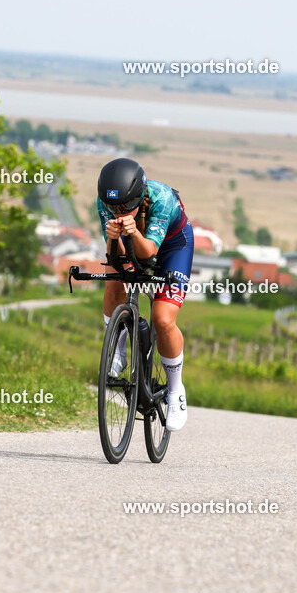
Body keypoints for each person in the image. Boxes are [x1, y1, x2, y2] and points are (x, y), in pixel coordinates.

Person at [96, 158, 193, 431]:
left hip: (173, 247)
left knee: (162, 319)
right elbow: (115, 256)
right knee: (114, 281)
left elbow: (149, 252)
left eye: (125, 206)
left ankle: (175, 392)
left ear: (139, 195)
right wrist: (113, 238)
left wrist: (133, 232)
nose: (117, 211)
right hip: (134, 238)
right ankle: (118, 348)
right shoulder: (106, 202)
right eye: (112, 207)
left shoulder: (161, 199)